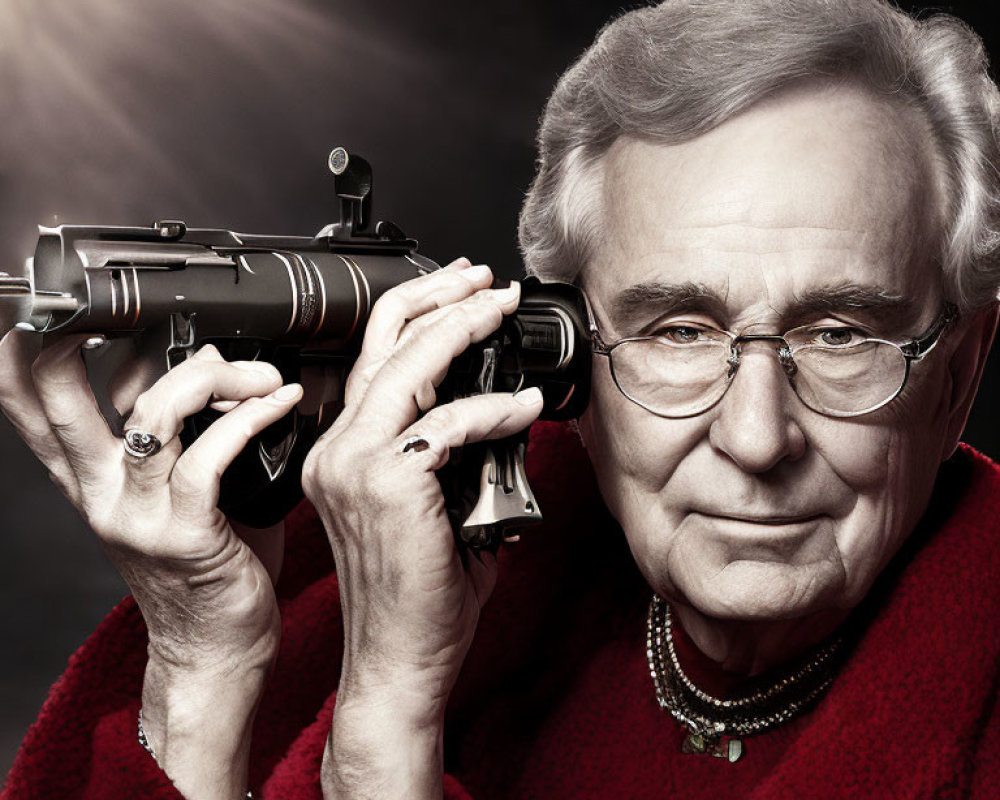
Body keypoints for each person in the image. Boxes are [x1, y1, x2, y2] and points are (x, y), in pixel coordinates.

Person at [3, 0, 1000, 798]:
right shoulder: (419, 563)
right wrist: (202, 656)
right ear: (564, 357)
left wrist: (384, 728)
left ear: (958, 369)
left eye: (839, 334)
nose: (754, 435)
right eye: (676, 331)